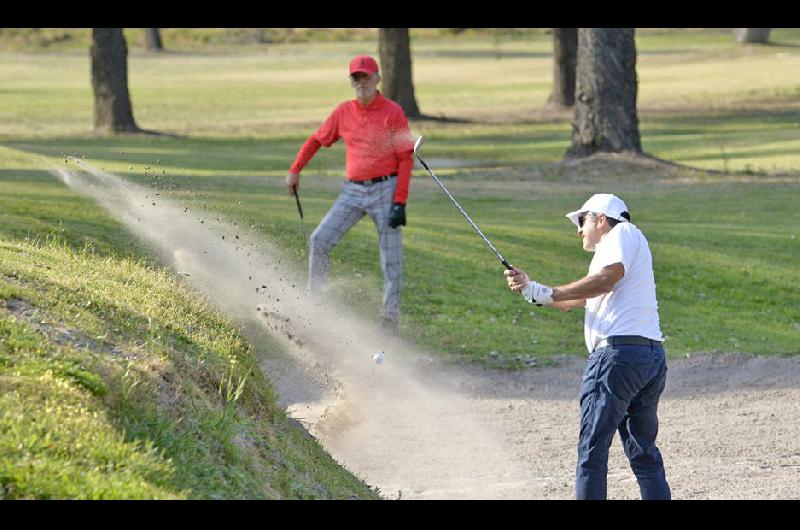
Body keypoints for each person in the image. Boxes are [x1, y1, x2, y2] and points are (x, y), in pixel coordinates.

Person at [504, 193, 670, 500]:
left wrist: (550, 290)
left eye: (582, 220)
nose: (579, 230)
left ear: (601, 219)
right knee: (643, 454)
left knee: (591, 452)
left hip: (616, 360)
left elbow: (606, 279)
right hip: (648, 359)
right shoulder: (622, 246)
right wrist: (533, 290)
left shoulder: (622, 234)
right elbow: (578, 300)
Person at [286, 55, 414, 333]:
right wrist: (295, 170)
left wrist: (399, 202)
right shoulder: (344, 111)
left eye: (365, 76)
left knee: (391, 258)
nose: (360, 82)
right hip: (352, 191)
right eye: (355, 77)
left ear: (377, 79)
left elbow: (406, 157)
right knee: (319, 240)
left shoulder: (393, 112)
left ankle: (389, 319)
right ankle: (314, 306)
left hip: (386, 189)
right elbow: (317, 140)